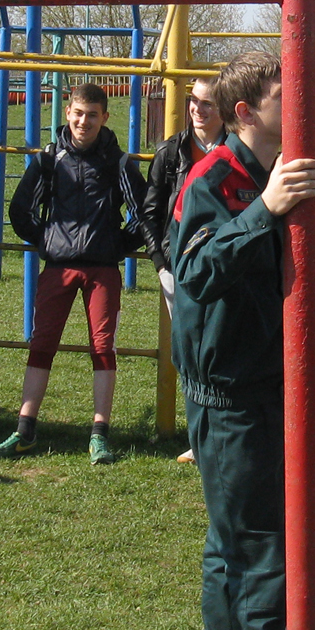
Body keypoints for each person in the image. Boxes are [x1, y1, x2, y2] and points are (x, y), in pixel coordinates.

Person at [169, 51, 315, 630]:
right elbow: (195, 271)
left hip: (260, 384)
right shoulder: (215, 180)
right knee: (265, 550)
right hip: (229, 392)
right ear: (245, 112)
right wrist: (265, 211)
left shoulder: (273, 172)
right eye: (286, 94)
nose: (302, 103)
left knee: (232, 542)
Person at [0, 82, 147, 463]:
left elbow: (144, 216)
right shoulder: (48, 159)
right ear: (67, 113)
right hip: (58, 268)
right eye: (78, 113)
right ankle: (24, 429)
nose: (84, 121)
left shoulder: (118, 162)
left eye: (93, 115)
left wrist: (114, 245)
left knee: (103, 347)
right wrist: (48, 241)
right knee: (41, 343)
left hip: (103, 270)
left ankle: (99, 435)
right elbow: (20, 210)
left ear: (105, 118)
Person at [142, 76, 225, 463]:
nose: (197, 109)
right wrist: (161, 262)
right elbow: (150, 211)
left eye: (207, 103)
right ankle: (200, 437)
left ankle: (224, 432)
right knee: (191, 353)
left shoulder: (237, 150)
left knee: (224, 350)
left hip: (225, 266)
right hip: (179, 267)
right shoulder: (172, 151)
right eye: (193, 101)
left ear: (226, 108)